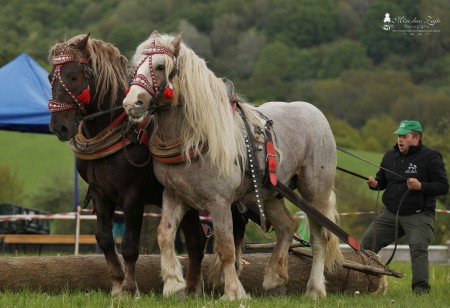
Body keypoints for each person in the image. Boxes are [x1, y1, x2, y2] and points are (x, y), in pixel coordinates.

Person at [361, 120, 449, 295]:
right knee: (366, 243)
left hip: (419, 214)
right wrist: (374, 184)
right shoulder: (389, 156)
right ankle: (364, 284)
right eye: (398, 136)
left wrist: (421, 186)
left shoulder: (431, 157)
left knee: (418, 247)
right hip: (390, 213)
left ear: (416, 137)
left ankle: (421, 290)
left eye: (404, 136)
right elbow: (382, 182)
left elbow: (443, 186)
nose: (400, 139)